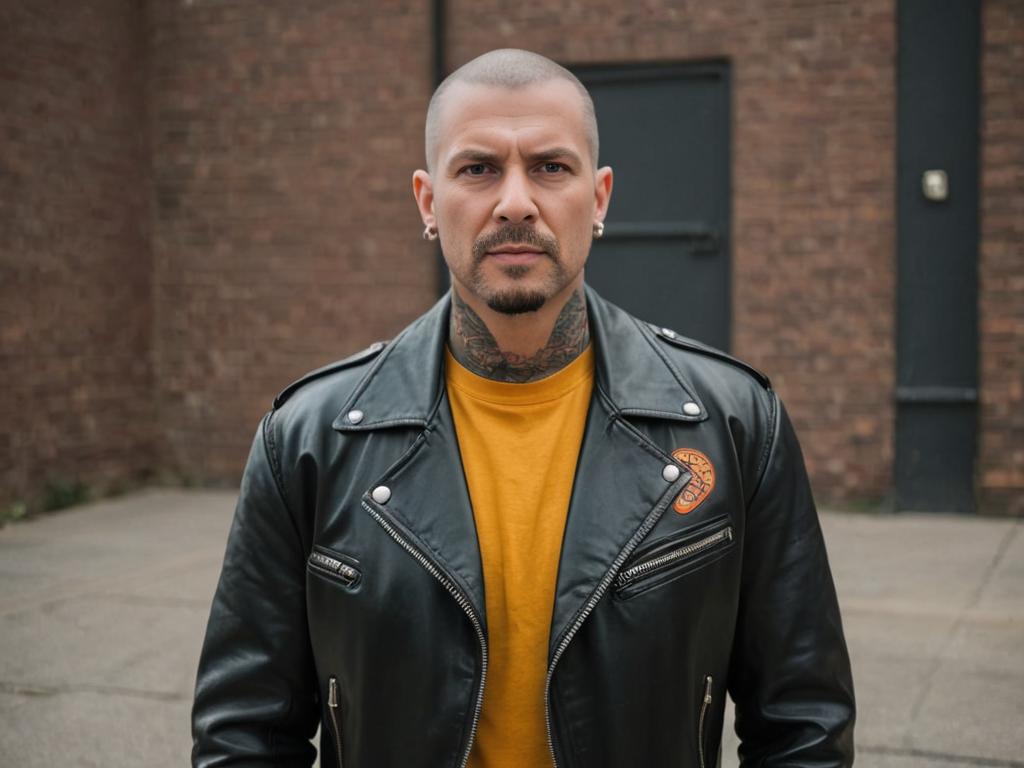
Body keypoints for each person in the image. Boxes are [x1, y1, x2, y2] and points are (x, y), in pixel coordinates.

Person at [191, 48, 855, 768]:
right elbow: (245, 737)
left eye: (550, 167)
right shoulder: (307, 441)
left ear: (598, 199)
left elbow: (802, 727)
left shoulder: (735, 425)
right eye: (477, 169)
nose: (514, 201)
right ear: (426, 200)